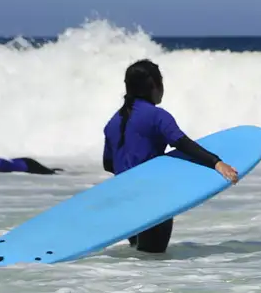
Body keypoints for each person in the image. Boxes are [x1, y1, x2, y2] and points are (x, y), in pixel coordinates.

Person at [102, 59, 239, 254]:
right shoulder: (157, 116)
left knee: (135, 260)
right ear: (155, 86)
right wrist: (216, 162)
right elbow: (183, 144)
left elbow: (108, 164)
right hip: (153, 199)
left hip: (125, 201)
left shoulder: (113, 122)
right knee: (154, 261)